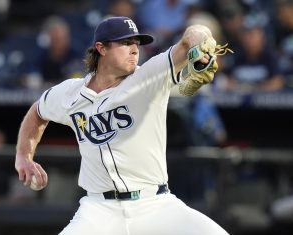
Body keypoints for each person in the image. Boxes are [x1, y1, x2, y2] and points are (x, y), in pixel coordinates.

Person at [15, 16, 229, 235]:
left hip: (154, 205)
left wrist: (201, 41)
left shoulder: (148, 76)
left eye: (136, 43)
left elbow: (192, 36)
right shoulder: (70, 92)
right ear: (101, 48)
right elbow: (38, 112)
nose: (134, 49)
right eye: (126, 43)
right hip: (99, 210)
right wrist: (24, 156)